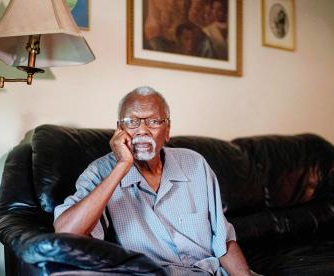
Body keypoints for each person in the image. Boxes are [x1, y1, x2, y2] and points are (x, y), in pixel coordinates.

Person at [54, 86, 252, 275]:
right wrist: (122, 165)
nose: (142, 130)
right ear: (119, 130)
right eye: (131, 122)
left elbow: (222, 241)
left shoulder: (195, 164)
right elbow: (66, 233)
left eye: (154, 122)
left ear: (167, 130)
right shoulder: (101, 172)